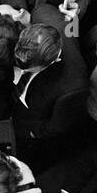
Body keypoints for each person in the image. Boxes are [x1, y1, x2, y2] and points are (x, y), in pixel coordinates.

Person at [8, 20, 89, 172]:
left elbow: (55, 127)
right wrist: (75, 21)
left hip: (32, 128)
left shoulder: (72, 89)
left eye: (30, 69)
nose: (22, 71)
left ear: (50, 61)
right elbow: (72, 33)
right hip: (15, 107)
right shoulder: (43, 15)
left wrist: (31, 133)